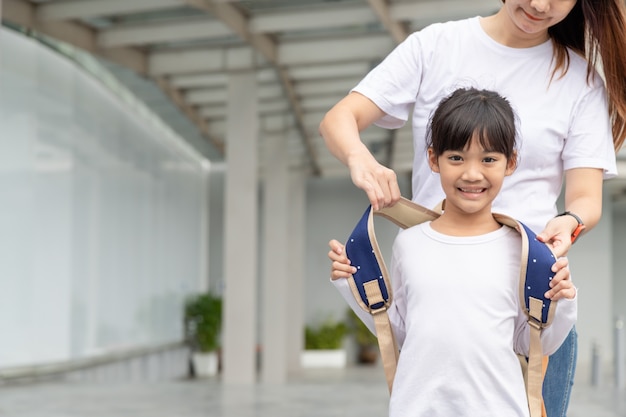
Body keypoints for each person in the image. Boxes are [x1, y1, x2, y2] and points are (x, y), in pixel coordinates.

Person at [320, 1, 626, 415]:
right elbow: (340, 118)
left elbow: (586, 200)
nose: (540, 5)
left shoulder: (580, 79)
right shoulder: (436, 46)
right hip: (438, 290)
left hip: (532, 299)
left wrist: (568, 223)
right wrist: (363, 160)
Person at [330, 87, 577, 417]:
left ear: (510, 163)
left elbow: (533, 343)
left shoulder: (525, 250)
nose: (472, 173)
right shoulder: (410, 243)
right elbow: (402, 331)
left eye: (489, 159)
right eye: (456, 158)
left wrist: (564, 302)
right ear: (434, 159)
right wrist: (352, 285)